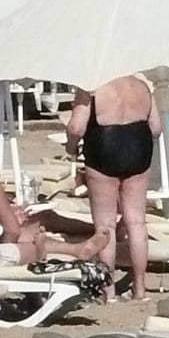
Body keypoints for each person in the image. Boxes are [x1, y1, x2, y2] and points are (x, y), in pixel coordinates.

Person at [66, 74, 155, 300]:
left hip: (104, 147)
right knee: (137, 222)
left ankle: (108, 291)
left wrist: (71, 147)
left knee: (105, 226)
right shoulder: (142, 86)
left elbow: (76, 127)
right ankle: (140, 287)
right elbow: (156, 128)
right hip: (138, 148)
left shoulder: (91, 87)